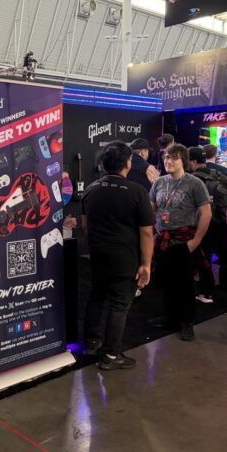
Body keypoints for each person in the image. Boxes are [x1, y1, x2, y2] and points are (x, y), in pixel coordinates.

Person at [82, 141, 154, 370]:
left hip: (98, 256)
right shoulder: (137, 191)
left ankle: (91, 342)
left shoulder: (91, 189)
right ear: (127, 164)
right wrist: (146, 264)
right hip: (125, 258)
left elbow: (86, 226)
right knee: (120, 305)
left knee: (97, 296)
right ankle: (111, 355)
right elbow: (146, 233)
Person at [149, 143, 212, 340]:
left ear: (183, 160)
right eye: (166, 157)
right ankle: (171, 318)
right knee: (167, 283)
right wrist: (151, 233)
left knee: (184, 284)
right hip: (163, 240)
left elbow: (206, 213)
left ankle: (187, 322)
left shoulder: (194, 183)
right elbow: (151, 209)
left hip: (184, 240)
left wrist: (195, 241)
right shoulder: (159, 183)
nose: (168, 161)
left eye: (174, 158)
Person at [188, 146, 227, 304]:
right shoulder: (219, 174)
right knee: (225, 254)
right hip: (221, 221)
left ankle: (205, 292)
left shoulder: (193, 179)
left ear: (193, 161)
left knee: (204, 257)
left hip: (203, 223)